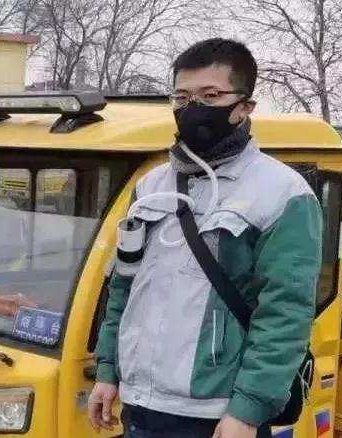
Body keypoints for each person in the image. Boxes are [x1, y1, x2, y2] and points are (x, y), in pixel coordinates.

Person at [88, 38, 323, 438]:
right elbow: (124, 287)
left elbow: (285, 315)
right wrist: (107, 370)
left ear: (244, 106)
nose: (192, 107)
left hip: (217, 413)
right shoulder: (151, 186)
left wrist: (247, 411)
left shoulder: (283, 193)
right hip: (139, 404)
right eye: (182, 97)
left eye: (210, 95)